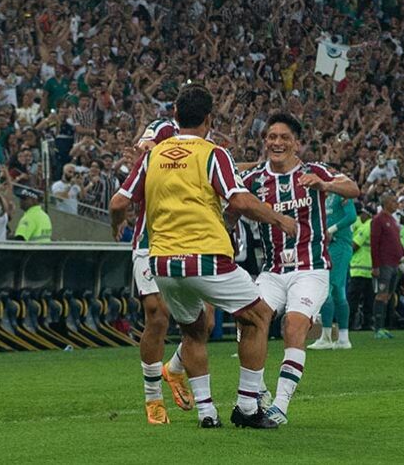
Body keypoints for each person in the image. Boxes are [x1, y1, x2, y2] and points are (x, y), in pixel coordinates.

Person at [110, 84, 296, 429]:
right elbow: (239, 201)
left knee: (193, 331)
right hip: (206, 258)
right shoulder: (213, 153)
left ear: (175, 117)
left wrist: (117, 225)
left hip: (162, 262)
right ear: (209, 119)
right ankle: (247, 406)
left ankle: (207, 412)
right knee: (257, 316)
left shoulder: (153, 156)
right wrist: (280, 218)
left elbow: (118, 203)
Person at [240, 111, 360, 423]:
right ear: (265, 141)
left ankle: (279, 406)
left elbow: (353, 188)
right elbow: (227, 181)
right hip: (273, 270)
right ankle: (259, 389)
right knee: (249, 322)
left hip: (311, 268)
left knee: (293, 325)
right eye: (272, 137)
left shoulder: (314, 171)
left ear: (297, 144)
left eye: (284, 138)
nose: (277, 142)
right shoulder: (256, 180)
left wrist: (325, 185)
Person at [109, 118, 193, 425]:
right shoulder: (152, 155)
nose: (141, 147)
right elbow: (119, 201)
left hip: (190, 242)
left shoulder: (201, 153)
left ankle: (176, 369)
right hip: (150, 243)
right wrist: (116, 223)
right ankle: (153, 397)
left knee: (205, 320)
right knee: (157, 315)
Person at [309, 184, 357, 350]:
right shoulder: (325, 198)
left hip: (340, 245)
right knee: (338, 292)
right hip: (331, 246)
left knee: (326, 287)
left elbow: (351, 216)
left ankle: (326, 337)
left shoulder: (341, 195)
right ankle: (343, 338)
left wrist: (332, 229)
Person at [371, 194, 404, 339]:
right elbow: (375, 243)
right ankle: (377, 328)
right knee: (382, 294)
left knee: (389, 296)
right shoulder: (378, 220)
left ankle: (383, 326)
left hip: (395, 263)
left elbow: (397, 241)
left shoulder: (393, 220)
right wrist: (375, 266)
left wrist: (403, 256)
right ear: (385, 203)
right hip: (384, 263)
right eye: (393, 201)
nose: (396, 204)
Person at [347, 204, 375, 331]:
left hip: (358, 268)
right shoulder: (373, 225)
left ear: (367, 214)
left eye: (362, 213)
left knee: (353, 299)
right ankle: (367, 324)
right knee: (368, 299)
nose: (361, 216)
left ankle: (349, 324)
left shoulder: (366, 226)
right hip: (368, 269)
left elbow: (355, 245)